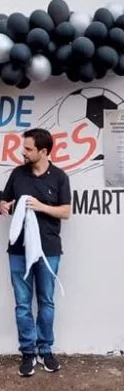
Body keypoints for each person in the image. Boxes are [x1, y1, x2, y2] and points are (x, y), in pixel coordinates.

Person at [0, 128, 71, 377]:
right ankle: (28, 352)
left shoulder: (59, 177)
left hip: (48, 250)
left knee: (46, 301)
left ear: (43, 151)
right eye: (24, 147)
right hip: (18, 249)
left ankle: (45, 349)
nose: (23, 152)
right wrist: (3, 204)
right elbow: (4, 199)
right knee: (22, 304)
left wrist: (41, 207)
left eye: (28, 149)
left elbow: (66, 211)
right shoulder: (18, 174)